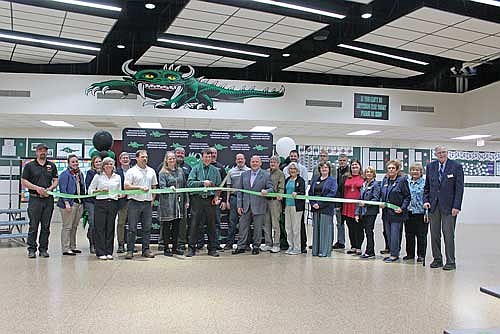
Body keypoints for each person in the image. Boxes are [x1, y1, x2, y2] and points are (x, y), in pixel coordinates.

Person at [424, 145, 464, 271]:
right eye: (439, 153)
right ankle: (437, 259)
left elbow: (459, 189)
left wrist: (456, 206)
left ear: (447, 153)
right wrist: (426, 201)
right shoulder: (431, 167)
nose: (442, 155)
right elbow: (427, 187)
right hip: (434, 206)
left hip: (449, 207)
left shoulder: (456, 166)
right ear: (435, 154)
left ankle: (451, 261)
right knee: (434, 234)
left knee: (448, 235)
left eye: (444, 152)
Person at [21, 143, 58, 258]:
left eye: (45, 150)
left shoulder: (51, 166)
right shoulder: (29, 166)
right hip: (35, 200)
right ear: (36, 152)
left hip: (48, 200)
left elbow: (56, 180)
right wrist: (37, 188)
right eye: (40, 150)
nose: (43, 152)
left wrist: (49, 189)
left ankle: (43, 249)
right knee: (33, 226)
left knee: (46, 226)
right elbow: (24, 181)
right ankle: (31, 249)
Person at [233, 155, 274, 255]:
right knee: (242, 227)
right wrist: (239, 205)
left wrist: (267, 191)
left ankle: (256, 246)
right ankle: (241, 246)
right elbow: (240, 191)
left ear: (260, 163)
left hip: (259, 205)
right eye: (253, 162)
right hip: (245, 206)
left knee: (258, 228)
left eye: (256, 162)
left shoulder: (266, 175)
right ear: (250, 163)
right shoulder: (244, 175)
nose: (254, 163)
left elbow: (272, 188)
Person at [186, 148, 221, 257]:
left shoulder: (215, 170)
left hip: (210, 201)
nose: (207, 158)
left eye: (209, 157)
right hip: (198, 200)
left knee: (211, 225)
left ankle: (212, 249)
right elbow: (189, 183)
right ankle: (191, 248)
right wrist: (202, 183)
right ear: (202, 157)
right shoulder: (195, 169)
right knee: (194, 225)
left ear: (212, 158)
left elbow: (219, 186)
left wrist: (216, 197)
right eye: (206, 156)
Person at [124, 149, 158, 259]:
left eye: (146, 157)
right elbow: (126, 186)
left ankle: (146, 250)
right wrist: (139, 188)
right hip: (134, 203)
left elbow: (154, 186)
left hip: (147, 204)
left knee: (147, 228)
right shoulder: (131, 171)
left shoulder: (151, 171)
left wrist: (152, 200)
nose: (145, 159)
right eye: (142, 157)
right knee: (132, 228)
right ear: (137, 158)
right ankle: (130, 250)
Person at [88, 157, 121, 260]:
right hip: (100, 203)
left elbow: (119, 191)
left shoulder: (117, 177)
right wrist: (99, 190)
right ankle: (100, 251)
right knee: (100, 228)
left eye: (111, 164)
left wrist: (120, 195)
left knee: (110, 227)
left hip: (113, 203)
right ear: (103, 166)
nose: (109, 166)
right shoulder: (98, 177)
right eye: (106, 164)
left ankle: (109, 251)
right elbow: (90, 190)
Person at [158, 151, 189, 256]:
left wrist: (186, 200)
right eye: (169, 158)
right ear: (166, 160)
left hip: (179, 204)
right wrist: (168, 188)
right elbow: (162, 188)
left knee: (177, 226)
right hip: (167, 204)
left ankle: (175, 248)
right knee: (167, 226)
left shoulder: (180, 171)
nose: (172, 160)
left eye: (173, 158)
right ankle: (166, 248)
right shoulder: (162, 173)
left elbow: (185, 187)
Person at [380, 160, 410, 263]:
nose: (391, 170)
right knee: (388, 234)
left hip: (397, 214)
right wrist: (381, 202)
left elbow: (407, 196)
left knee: (395, 234)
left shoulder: (402, 181)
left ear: (397, 170)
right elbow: (382, 194)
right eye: (389, 168)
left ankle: (394, 255)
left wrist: (402, 208)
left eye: (393, 168)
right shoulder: (385, 180)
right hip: (386, 213)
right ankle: (392, 252)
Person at [57, 154, 85, 256]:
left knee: (74, 226)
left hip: (78, 203)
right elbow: (63, 189)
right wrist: (66, 202)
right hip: (68, 204)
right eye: (73, 162)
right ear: (68, 163)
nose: (75, 163)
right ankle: (66, 248)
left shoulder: (79, 174)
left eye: (76, 161)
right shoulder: (65, 174)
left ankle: (73, 246)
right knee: (67, 227)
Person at [309, 162, 338, 257]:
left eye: (326, 167)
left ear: (329, 169)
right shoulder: (315, 180)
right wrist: (313, 204)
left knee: (325, 229)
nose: (324, 169)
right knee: (316, 229)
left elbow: (332, 194)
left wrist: (320, 204)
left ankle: (324, 251)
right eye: (322, 168)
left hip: (326, 208)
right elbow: (310, 193)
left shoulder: (332, 180)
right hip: (315, 208)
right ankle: (316, 250)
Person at [283, 149, 308, 253]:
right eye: (291, 169)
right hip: (288, 206)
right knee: (288, 227)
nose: (292, 170)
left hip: (297, 207)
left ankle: (297, 248)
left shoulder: (300, 180)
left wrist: (297, 193)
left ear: (297, 170)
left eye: (294, 168)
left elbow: (302, 192)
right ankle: (290, 246)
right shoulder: (287, 180)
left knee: (296, 228)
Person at [224, 153, 250, 250]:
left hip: (246, 199)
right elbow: (228, 187)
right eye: (238, 159)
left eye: (241, 159)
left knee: (246, 222)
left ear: (244, 160)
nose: (240, 160)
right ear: (235, 161)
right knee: (232, 222)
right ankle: (229, 244)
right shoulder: (231, 172)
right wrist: (227, 201)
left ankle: (247, 244)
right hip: (234, 198)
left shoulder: (249, 171)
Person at [355, 166, 380, 259]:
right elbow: (359, 199)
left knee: (369, 232)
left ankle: (370, 252)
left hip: (371, 212)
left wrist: (365, 204)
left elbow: (376, 198)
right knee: (365, 232)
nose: (368, 173)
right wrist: (357, 213)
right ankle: (368, 250)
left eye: (370, 172)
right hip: (363, 212)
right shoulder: (363, 184)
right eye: (367, 172)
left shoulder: (376, 184)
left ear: (374, 174)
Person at [404, 163, 427, 263]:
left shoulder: (425, 182)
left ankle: (421, 255)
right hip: (409, 212)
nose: (415, 172)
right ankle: (410, 254)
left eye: (417, 170)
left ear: (421, 172)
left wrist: (427, 213)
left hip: (421, 212)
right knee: (409, 234)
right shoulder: (406, 182)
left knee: (421, 235)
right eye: (413, 170)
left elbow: (428, 197)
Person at [263, 155, 285, 253]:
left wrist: (280, 194)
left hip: (275, 201)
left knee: (275, 224)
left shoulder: (280, 174)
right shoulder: (266, 172)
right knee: (266, 223)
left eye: (275, 162)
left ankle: (276, 244)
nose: (272, 164)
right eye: (271, 162)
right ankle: (268, 243)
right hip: (265, 201)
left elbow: (281, 187)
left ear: (278, 163)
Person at [343, 160, 364, 255]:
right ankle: (353, 246)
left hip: (357, 206)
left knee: (358, 227)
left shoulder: (363, 178)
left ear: (360, 167)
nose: (354, 166)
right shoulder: (346, 177)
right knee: (350, 227)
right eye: (352, 165)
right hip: (347, 206)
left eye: (356, 165)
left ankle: (359, 247)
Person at [209, 147, 227, 250]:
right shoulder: (201, 166)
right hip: (204, 200)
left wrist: (223, 200)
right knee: (202, 223)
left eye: (215, 153)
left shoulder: (220, 167)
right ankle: (200, 243)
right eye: (211, 153)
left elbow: (223, 186)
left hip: (216, 200)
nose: (213, 154)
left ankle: (216, 244)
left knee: (216, 223)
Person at [175, 147, 192, 250]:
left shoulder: (188, 167)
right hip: (169, 199)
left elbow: (188, 184)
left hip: (183, 199)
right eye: (178, 153)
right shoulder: (165, 166)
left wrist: (187, 200)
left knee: (182, 222)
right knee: (167, 221)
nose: (180, 155)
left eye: (182, 153)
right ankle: (163, 242)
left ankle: (181, 242)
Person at [85, 155, 102, 254]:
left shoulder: (104, 173)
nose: (98, 163)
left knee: (99, 224)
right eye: (96, 162)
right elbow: (89, 187)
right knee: (92, 222)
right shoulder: (90, 173)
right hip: (91, 201)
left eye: (100, 161)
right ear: (93, 164)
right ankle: (92, 244)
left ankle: (98, 242)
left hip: (101, 201)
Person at [333, 154, 349, 250]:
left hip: (348, 201)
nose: (342, 162)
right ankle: (340, 242)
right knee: (339, 223)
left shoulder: (349, 172)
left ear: (347, 161)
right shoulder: (336, 171)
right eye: (340, 160)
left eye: (343, 160)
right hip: (338, 201)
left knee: (351, 224)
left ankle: (355, 245)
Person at [115, 152, 130, 253]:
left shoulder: (135, 171)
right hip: (121, 202)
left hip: (134, 200)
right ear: (120, 160)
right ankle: (121, 244)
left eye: (127, 158)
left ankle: (130, 245)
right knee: (121, 223)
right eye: (123, 158)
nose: (125, 159)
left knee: (132, 224)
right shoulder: (116, 172)